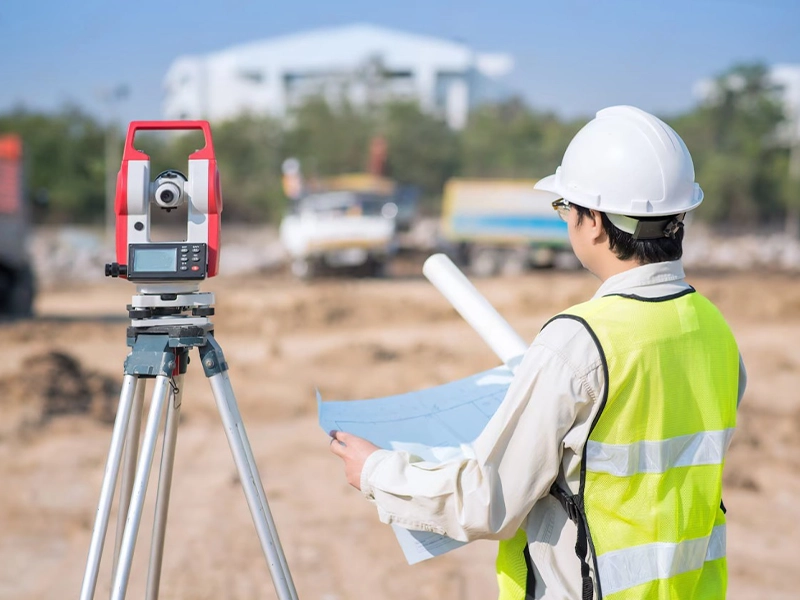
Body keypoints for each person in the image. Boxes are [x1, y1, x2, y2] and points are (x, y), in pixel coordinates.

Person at [329, 105, 746, 600]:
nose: (566, 219)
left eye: (564, 207)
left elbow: (490, 499)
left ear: (593, 220)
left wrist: (378, 472)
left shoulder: (579, 343)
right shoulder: (714, 329)